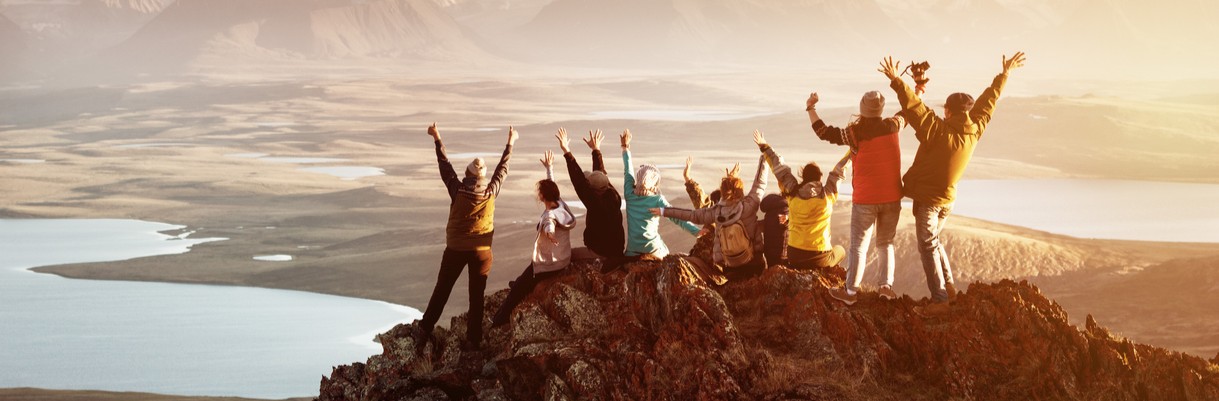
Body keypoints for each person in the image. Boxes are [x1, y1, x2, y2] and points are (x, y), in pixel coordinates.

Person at [880, 52, 1026, 307]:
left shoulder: (938, 131)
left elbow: (915, 109)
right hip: (948, 200)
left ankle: (940, 298)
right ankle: (949, 287)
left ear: (948, 111)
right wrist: (1004, 75)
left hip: (930, 201)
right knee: (934, 241)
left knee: (926, 245)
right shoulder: (975, 129)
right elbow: (989, 102)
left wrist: (896, 80)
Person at [415, 123, 516, 349]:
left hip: (456, 250)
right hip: (482, 253)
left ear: (468, 175)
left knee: (442, 290)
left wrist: (437, 137)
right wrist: (511, 142)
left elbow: (444, 165)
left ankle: (424, 330)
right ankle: (473, 341)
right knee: (476, 297)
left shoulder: (457, 190)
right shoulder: (491, 192)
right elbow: (503, 169)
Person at [804, 91, 907, 305]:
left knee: (859, 246)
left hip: (865, 199)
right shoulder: (894, 125)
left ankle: (851, 292)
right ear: (880, 109)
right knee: (886, 242)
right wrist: (918, 89)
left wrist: (811, 108)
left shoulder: (854, 133)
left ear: (862, 109)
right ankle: (885, 288)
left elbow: (824, 132)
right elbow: (909, 111)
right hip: (892, 196)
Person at [653, 144, 770, 281]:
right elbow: (760, 184)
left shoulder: (716, 213)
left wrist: (663, 211)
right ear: (739, 191)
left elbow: (691, 214)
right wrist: (765, 152)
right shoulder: (748, 207)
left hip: (730, 267)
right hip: (754, 265)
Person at [490, 151, 576, 328]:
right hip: (562, 258)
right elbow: (553, 188)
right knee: (523, 278)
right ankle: (525, 282)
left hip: (551, 264)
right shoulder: (561, 205)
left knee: (517, 289)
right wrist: (549, 168)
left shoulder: (550, 215)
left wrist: (550, 234)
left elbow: (549, 225)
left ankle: (499, 319)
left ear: (542, 197)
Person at [756, 129, 850, 270]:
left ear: (803, 177)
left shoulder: (792, 192)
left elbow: (779, 168)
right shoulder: (827, 194)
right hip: (820, 256)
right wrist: (853, 150)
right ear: (820, 178)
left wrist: (764, 146)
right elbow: (840, 170)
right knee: (840, 251)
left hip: (794, 255)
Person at [621, 129, 700, 261]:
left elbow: (627, 170)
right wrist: (696, 231)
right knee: (666, 252)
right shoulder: (657, 200)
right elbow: (677, 217)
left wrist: (625, 147)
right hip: (653, 249)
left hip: (632, 251)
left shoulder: (629, 194)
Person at [554, 128, 625, 271]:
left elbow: (579, 182)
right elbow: (600, 175)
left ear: (593, 191)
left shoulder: (596, 205)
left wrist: (567, 151)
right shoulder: (612, 194)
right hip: (615, 250)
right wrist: (595, 150)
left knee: (565, 256)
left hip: (601, 253)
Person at [759, 194, 789, 268]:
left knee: (771, 270)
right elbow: (783, 226)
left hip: (768, 251)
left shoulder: (770, 211)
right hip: (781, 253)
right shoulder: (784, 210)